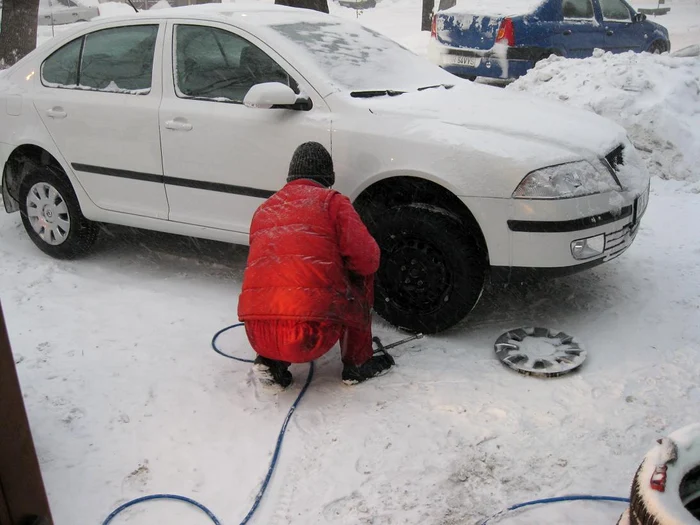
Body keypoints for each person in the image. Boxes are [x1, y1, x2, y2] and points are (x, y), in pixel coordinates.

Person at [237, 142, 394, 388]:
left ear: (290, 176)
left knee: (274, 270)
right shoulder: (332, 203)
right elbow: (368, 260)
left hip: (257, 334)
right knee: (361, 275)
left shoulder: (264, 209)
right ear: (328, 177)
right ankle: (358, 364)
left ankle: (270, 360)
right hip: (311, 335)